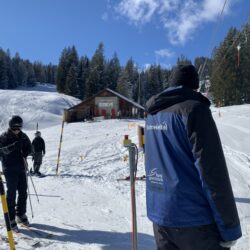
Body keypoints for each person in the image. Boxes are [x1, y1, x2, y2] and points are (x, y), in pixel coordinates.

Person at [145, 65, 242, 250]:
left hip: (161, 219)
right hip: (195, 222)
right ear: (195, 86)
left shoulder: (152, 115)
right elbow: (212, 172)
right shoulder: (194, 109)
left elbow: (150, 160)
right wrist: (230, 227)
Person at [0, 115, 32, 231]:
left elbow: (30, 148)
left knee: (23, 192)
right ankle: (10, 218)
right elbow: (1, 152)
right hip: (9, 169)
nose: (17, 130)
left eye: (19, 128)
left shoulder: (23, 136)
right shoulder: (4, 137)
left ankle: (21, 214)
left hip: (21, 168)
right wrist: (13, 147)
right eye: (14, 128)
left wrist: (27, 151)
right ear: (10, 127)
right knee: (11, 194)